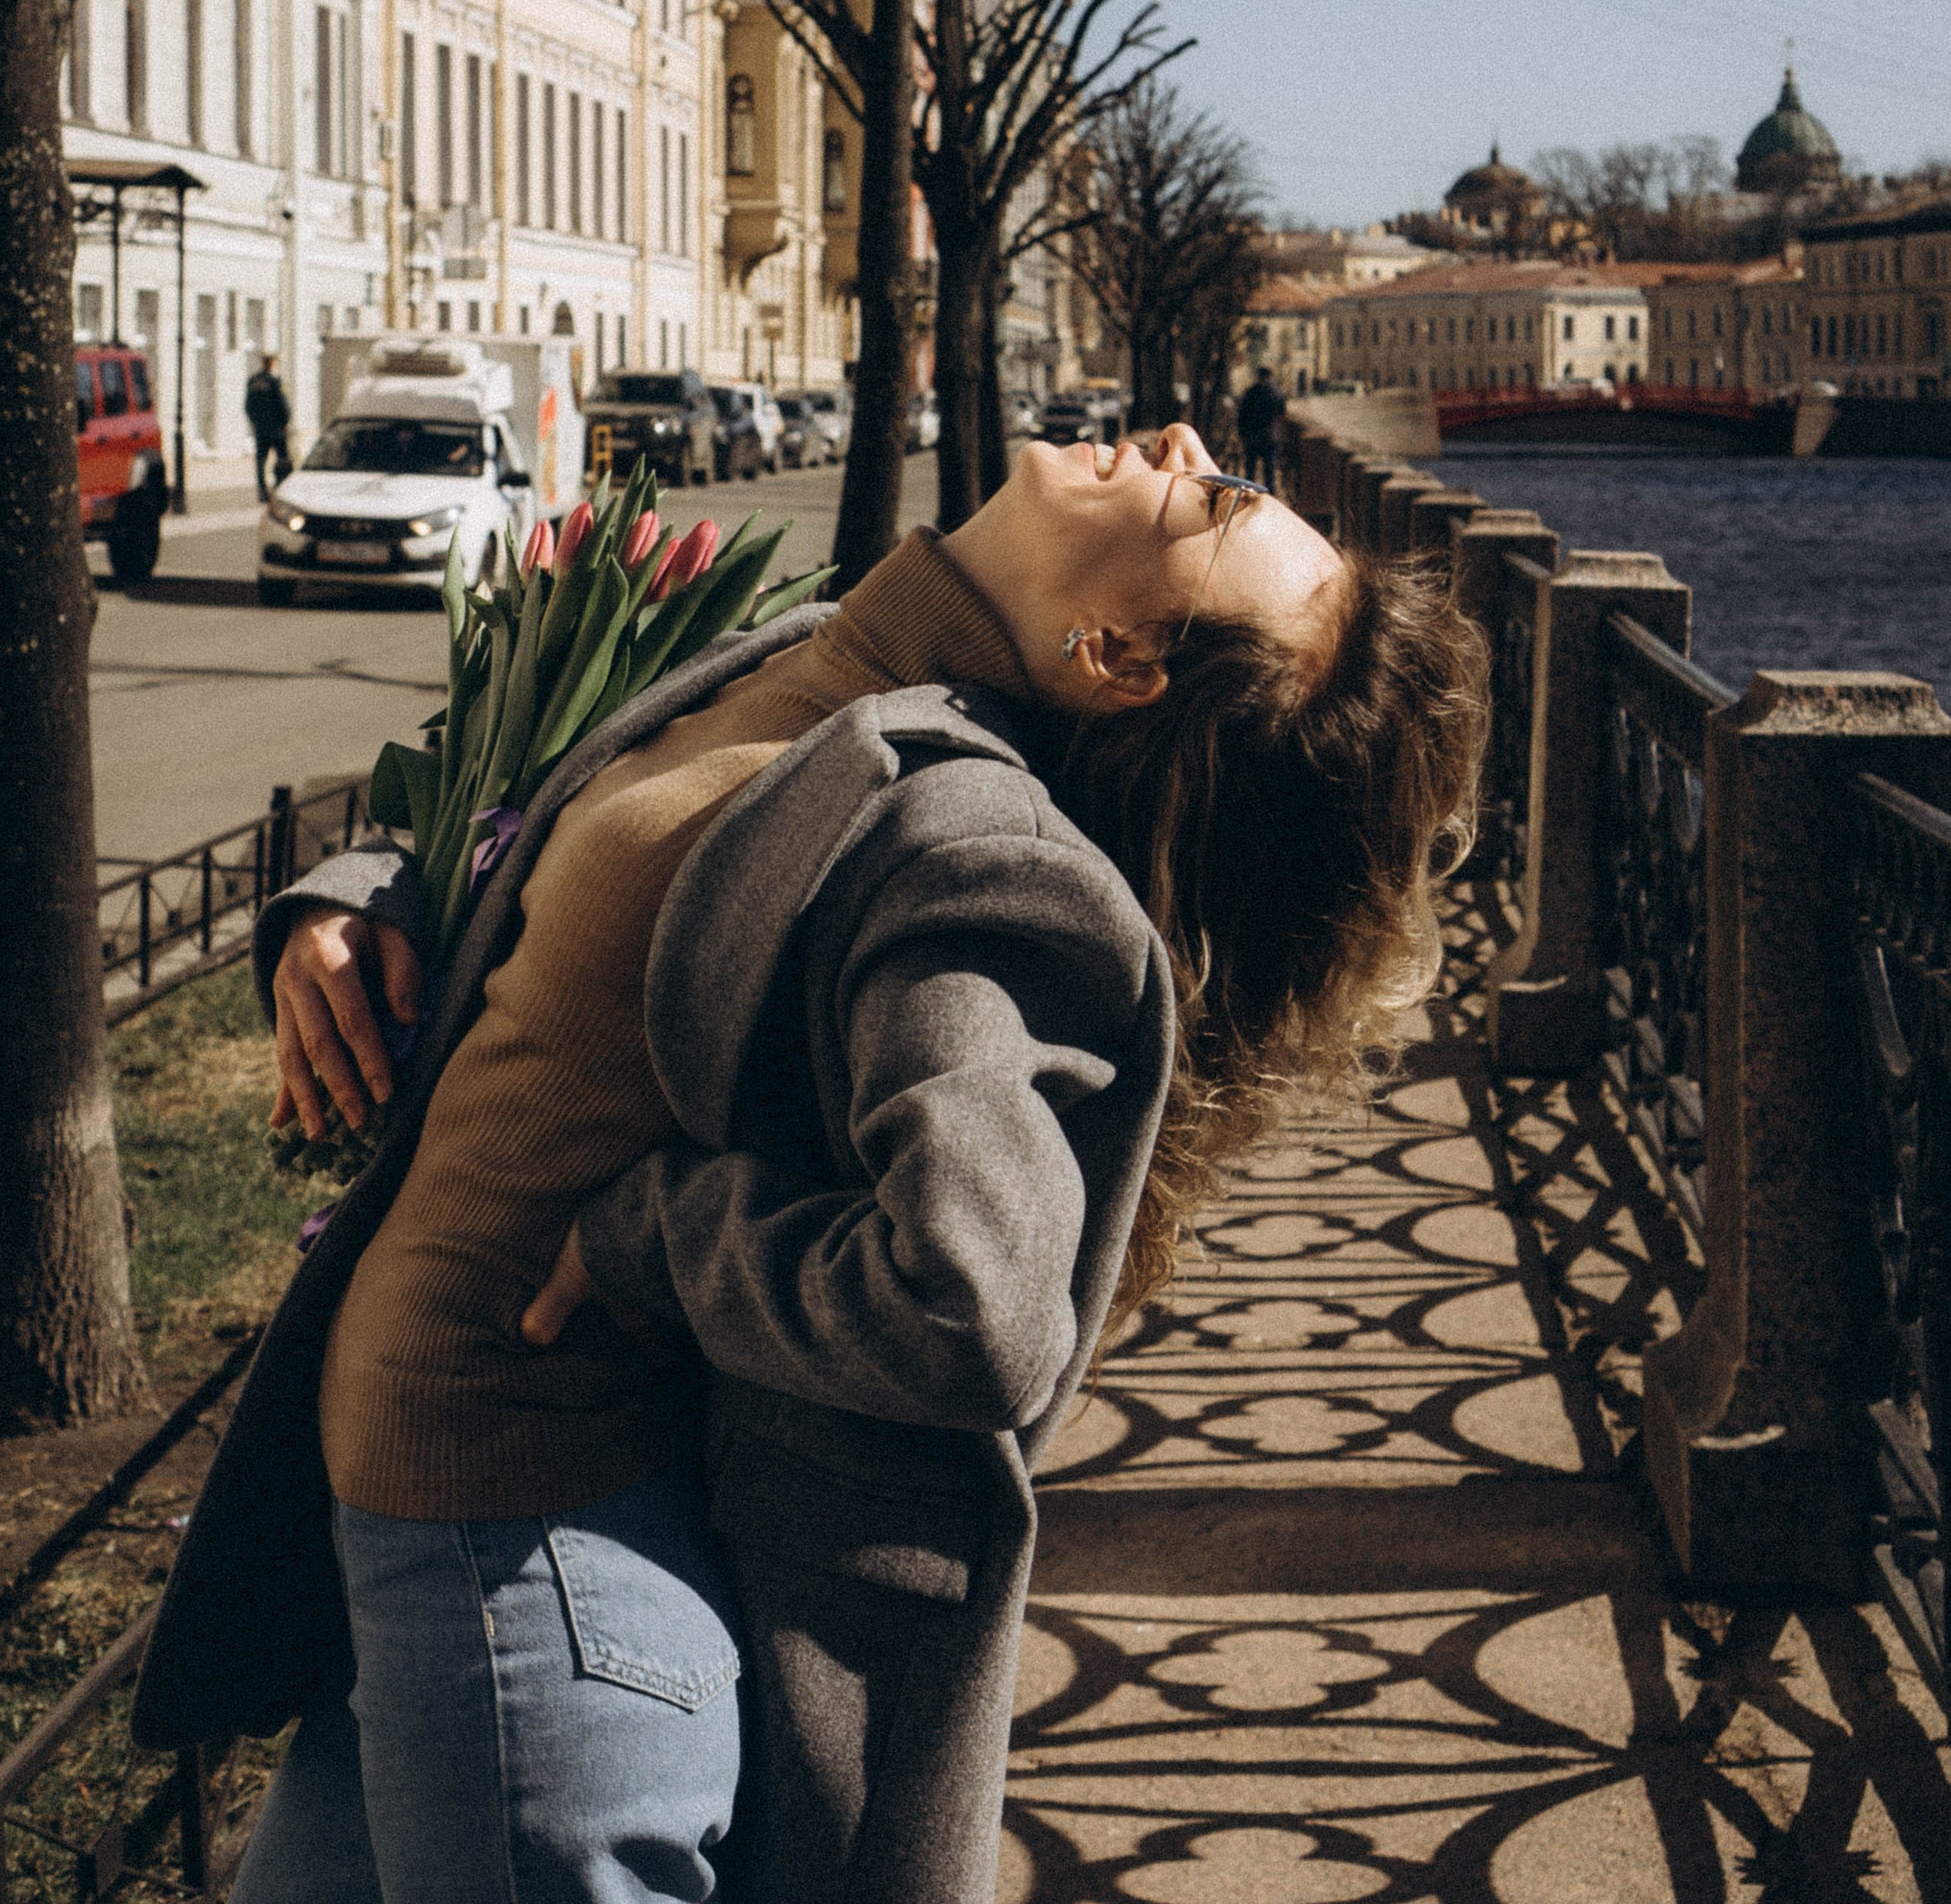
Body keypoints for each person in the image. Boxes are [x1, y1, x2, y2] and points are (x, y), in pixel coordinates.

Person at [134, 424, 1487, 1904]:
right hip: (428, 1539)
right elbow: (569, 851)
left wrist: (660, 1236)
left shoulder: (967, 835)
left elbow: (980, 1304)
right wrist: (362, 899)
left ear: (1118, 657)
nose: (1183, 441)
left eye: (1213, 497)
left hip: (527, 1568)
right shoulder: (826, 658)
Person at [245, 354, 291, 500]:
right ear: (272, 364)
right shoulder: (274, 382)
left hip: (261, 429)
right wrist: (285, 422)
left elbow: (248, 406)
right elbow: (283, 405)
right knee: (283, 460)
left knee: (261, 462)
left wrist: (255, 422)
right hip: (277, 428)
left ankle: (262, 492)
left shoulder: (253, 382)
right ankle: (280, 487)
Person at [1236, 364, 1283, 489]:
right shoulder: (1276, 392)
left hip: (1252, 437)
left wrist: (1242, 434)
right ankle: (1270, 495)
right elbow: (1281, 413)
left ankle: (1248, 495)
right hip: (1269, 436)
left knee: (1250, 471)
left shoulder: (1250, 391)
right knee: (1269, 472)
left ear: (1258, 376)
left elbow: (1242, 414)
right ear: (1270, 376)